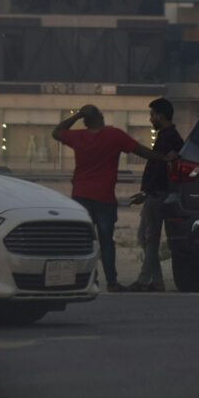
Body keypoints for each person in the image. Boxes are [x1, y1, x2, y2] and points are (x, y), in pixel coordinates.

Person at [52, 105, 175, 292]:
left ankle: (89, 279)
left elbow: (57, 132)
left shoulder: (78, 137)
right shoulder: (114, 135)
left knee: (86, 242)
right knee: (106, 241)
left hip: (81, 195)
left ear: (85, 121)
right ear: (101, 118)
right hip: (104, 197)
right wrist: (164, 158)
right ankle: (112, 282)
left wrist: (77, 115)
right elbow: (141, 151)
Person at [127, 98, 184, 292]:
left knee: (149, 238)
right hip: (154, 193)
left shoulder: (169, 138)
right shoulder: (169, 136)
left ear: (160, 115)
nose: (150, 118)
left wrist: (147, 191)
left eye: (152, 114)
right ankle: (157, 280)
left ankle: (144, 280)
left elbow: (159, 169)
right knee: (146, 237)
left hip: (158, 194)